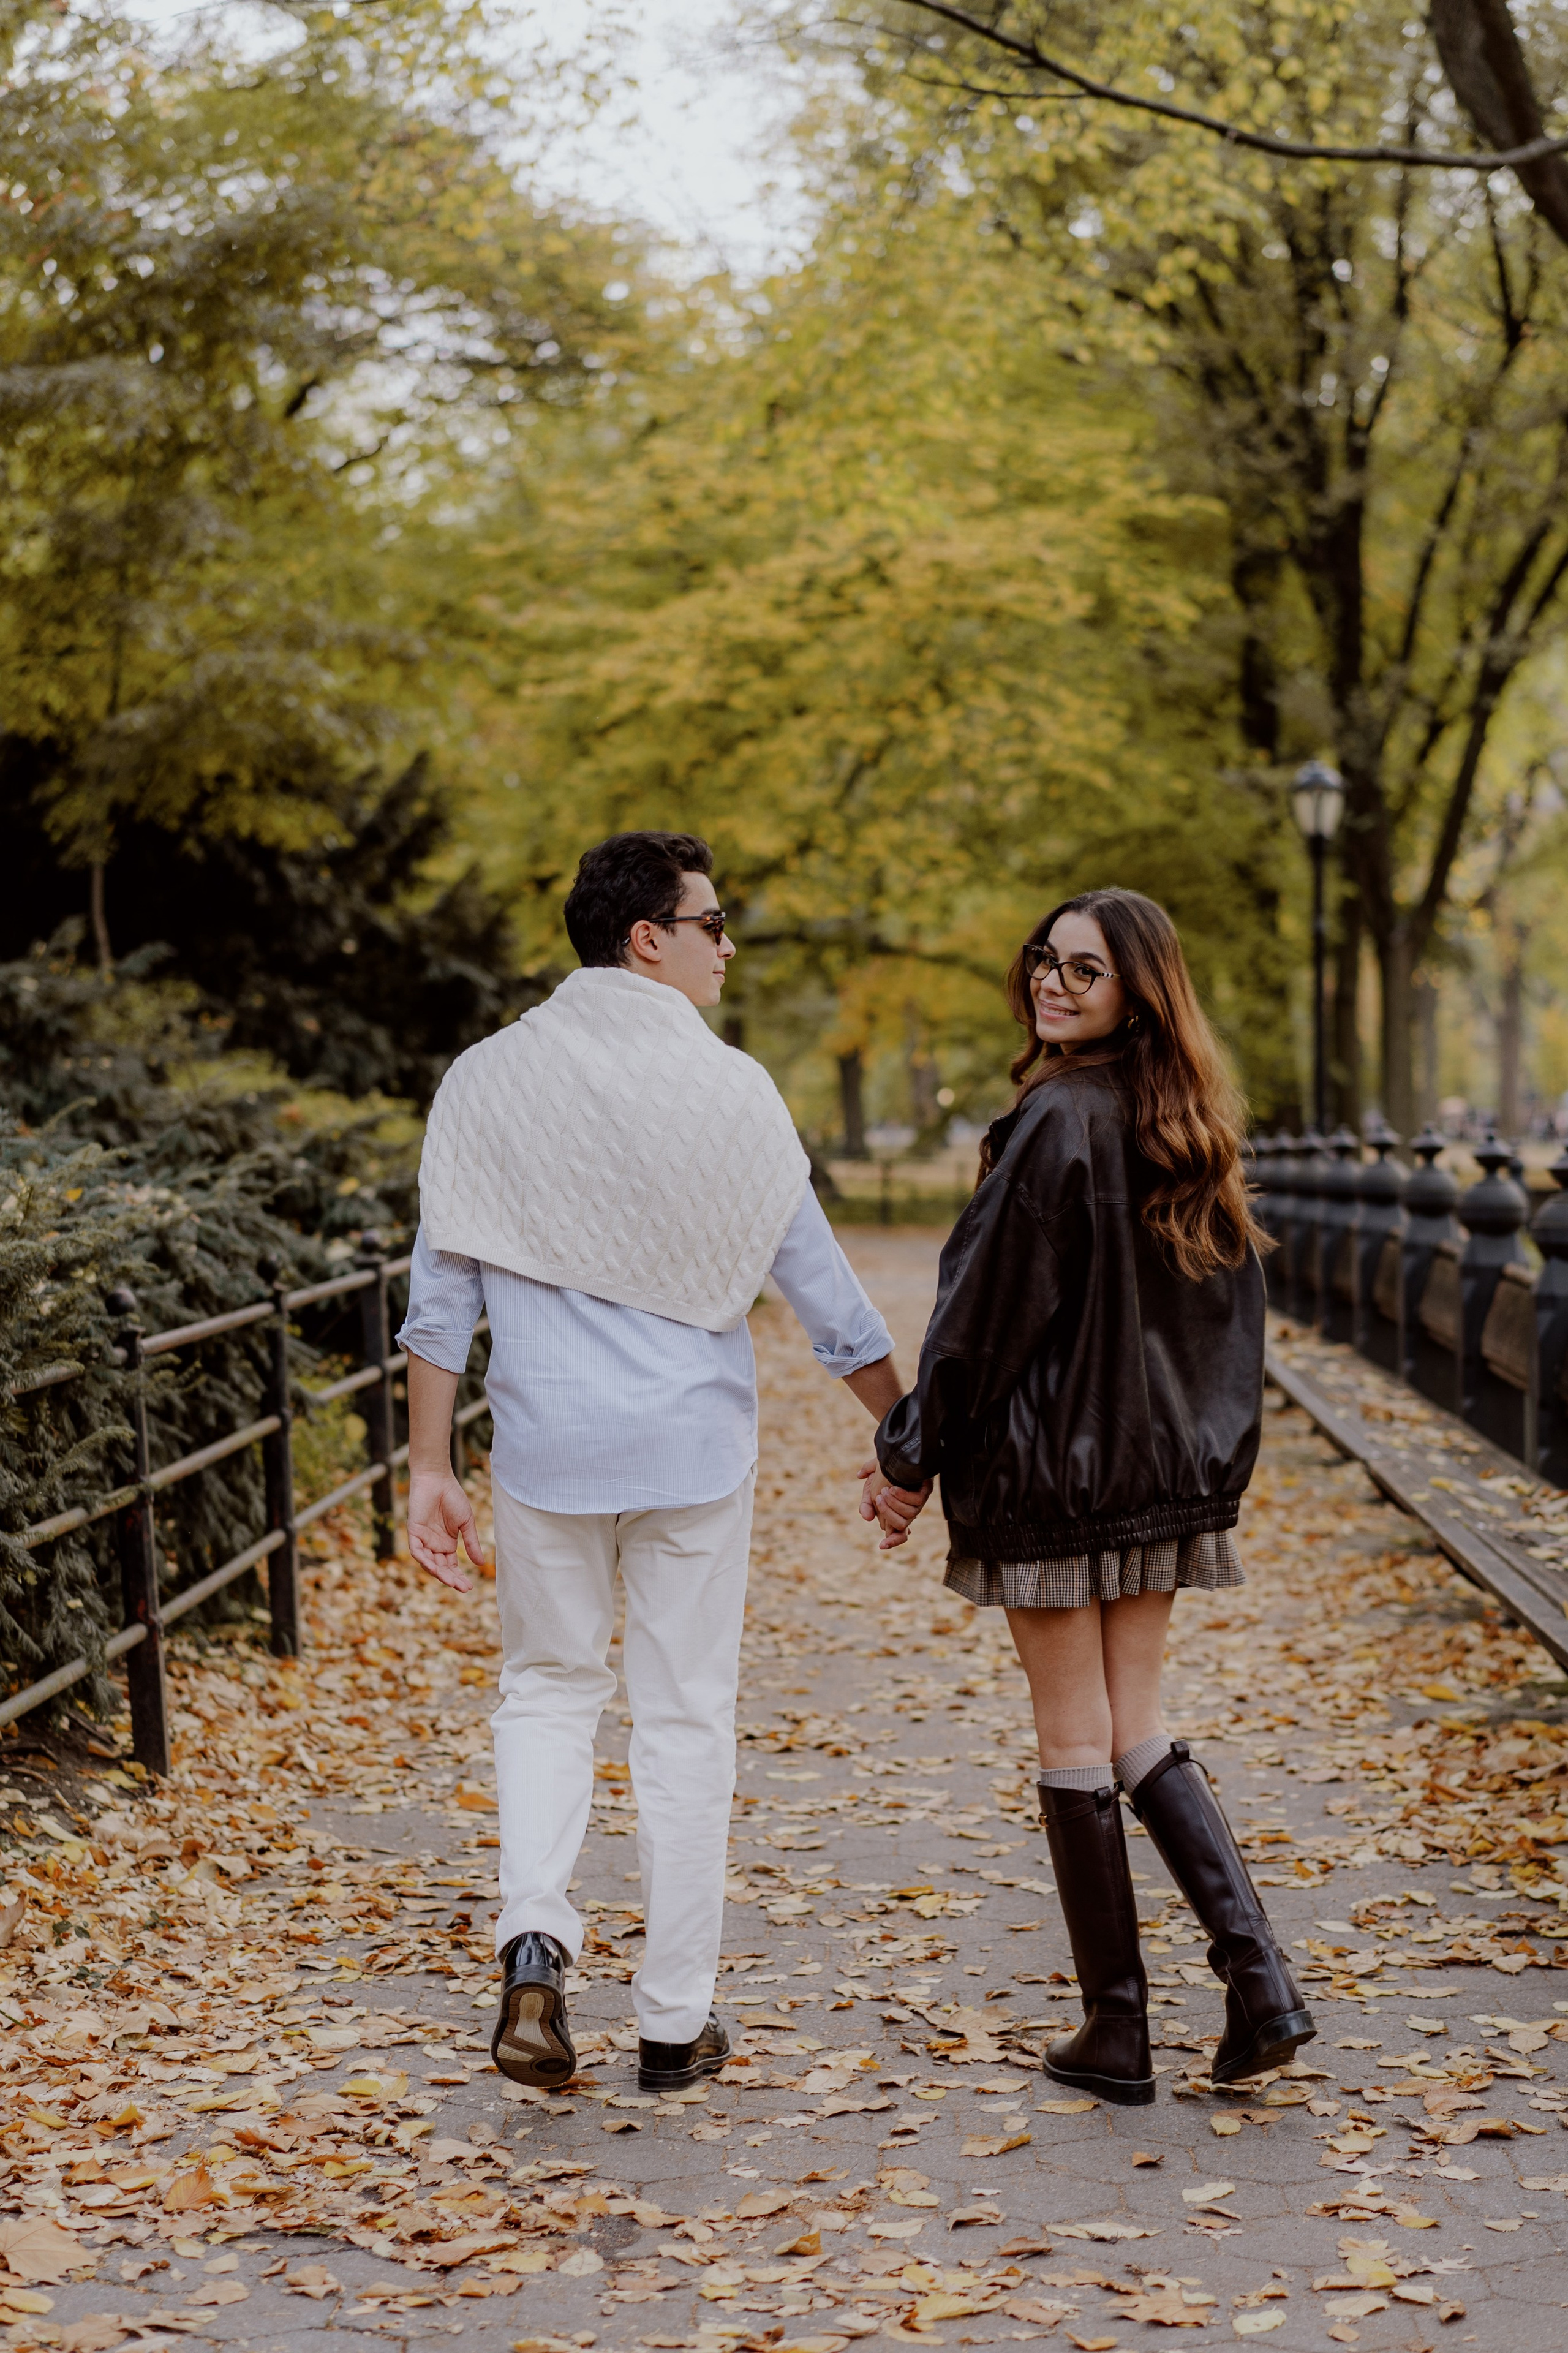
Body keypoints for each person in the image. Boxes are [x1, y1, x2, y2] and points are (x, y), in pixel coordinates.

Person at [398, 831, 906, 2098]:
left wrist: (426, 1465)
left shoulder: (485, 1078)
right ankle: (674, 2024)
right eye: (713, 922)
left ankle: (532, 1940)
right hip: (688, 1450)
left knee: (546, 1691)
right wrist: (903, 1434)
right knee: (683, 1718)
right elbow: (824, 1296)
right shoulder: (733, 1093)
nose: (726, 945)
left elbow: (439, 1291)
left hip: (547, 1445)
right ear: (648, 938)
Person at [860, 887, 1313, 2106]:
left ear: (1133, 994)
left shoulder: (1055, 1122)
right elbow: (1229, 1334)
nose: (1050, 982)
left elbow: (975, 1328)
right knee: (1134, 1729)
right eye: (1042, 960)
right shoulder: (1184, 1131)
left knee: (1074, 1738)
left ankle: (1117, 2029)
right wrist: (1201, 1479)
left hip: (1055, 1480)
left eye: (1083, 970)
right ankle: (1256, 1979)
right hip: (1157, 1483)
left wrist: (907, 1456)